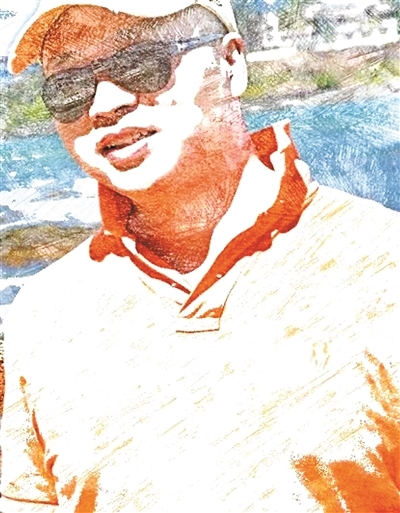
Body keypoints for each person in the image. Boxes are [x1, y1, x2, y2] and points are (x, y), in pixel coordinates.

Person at [1, 1, 399, 511]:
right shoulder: (44, 314)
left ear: (231, 63)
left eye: (139, 64)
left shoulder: (383, 264)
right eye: (68, 87)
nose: (104, 104)